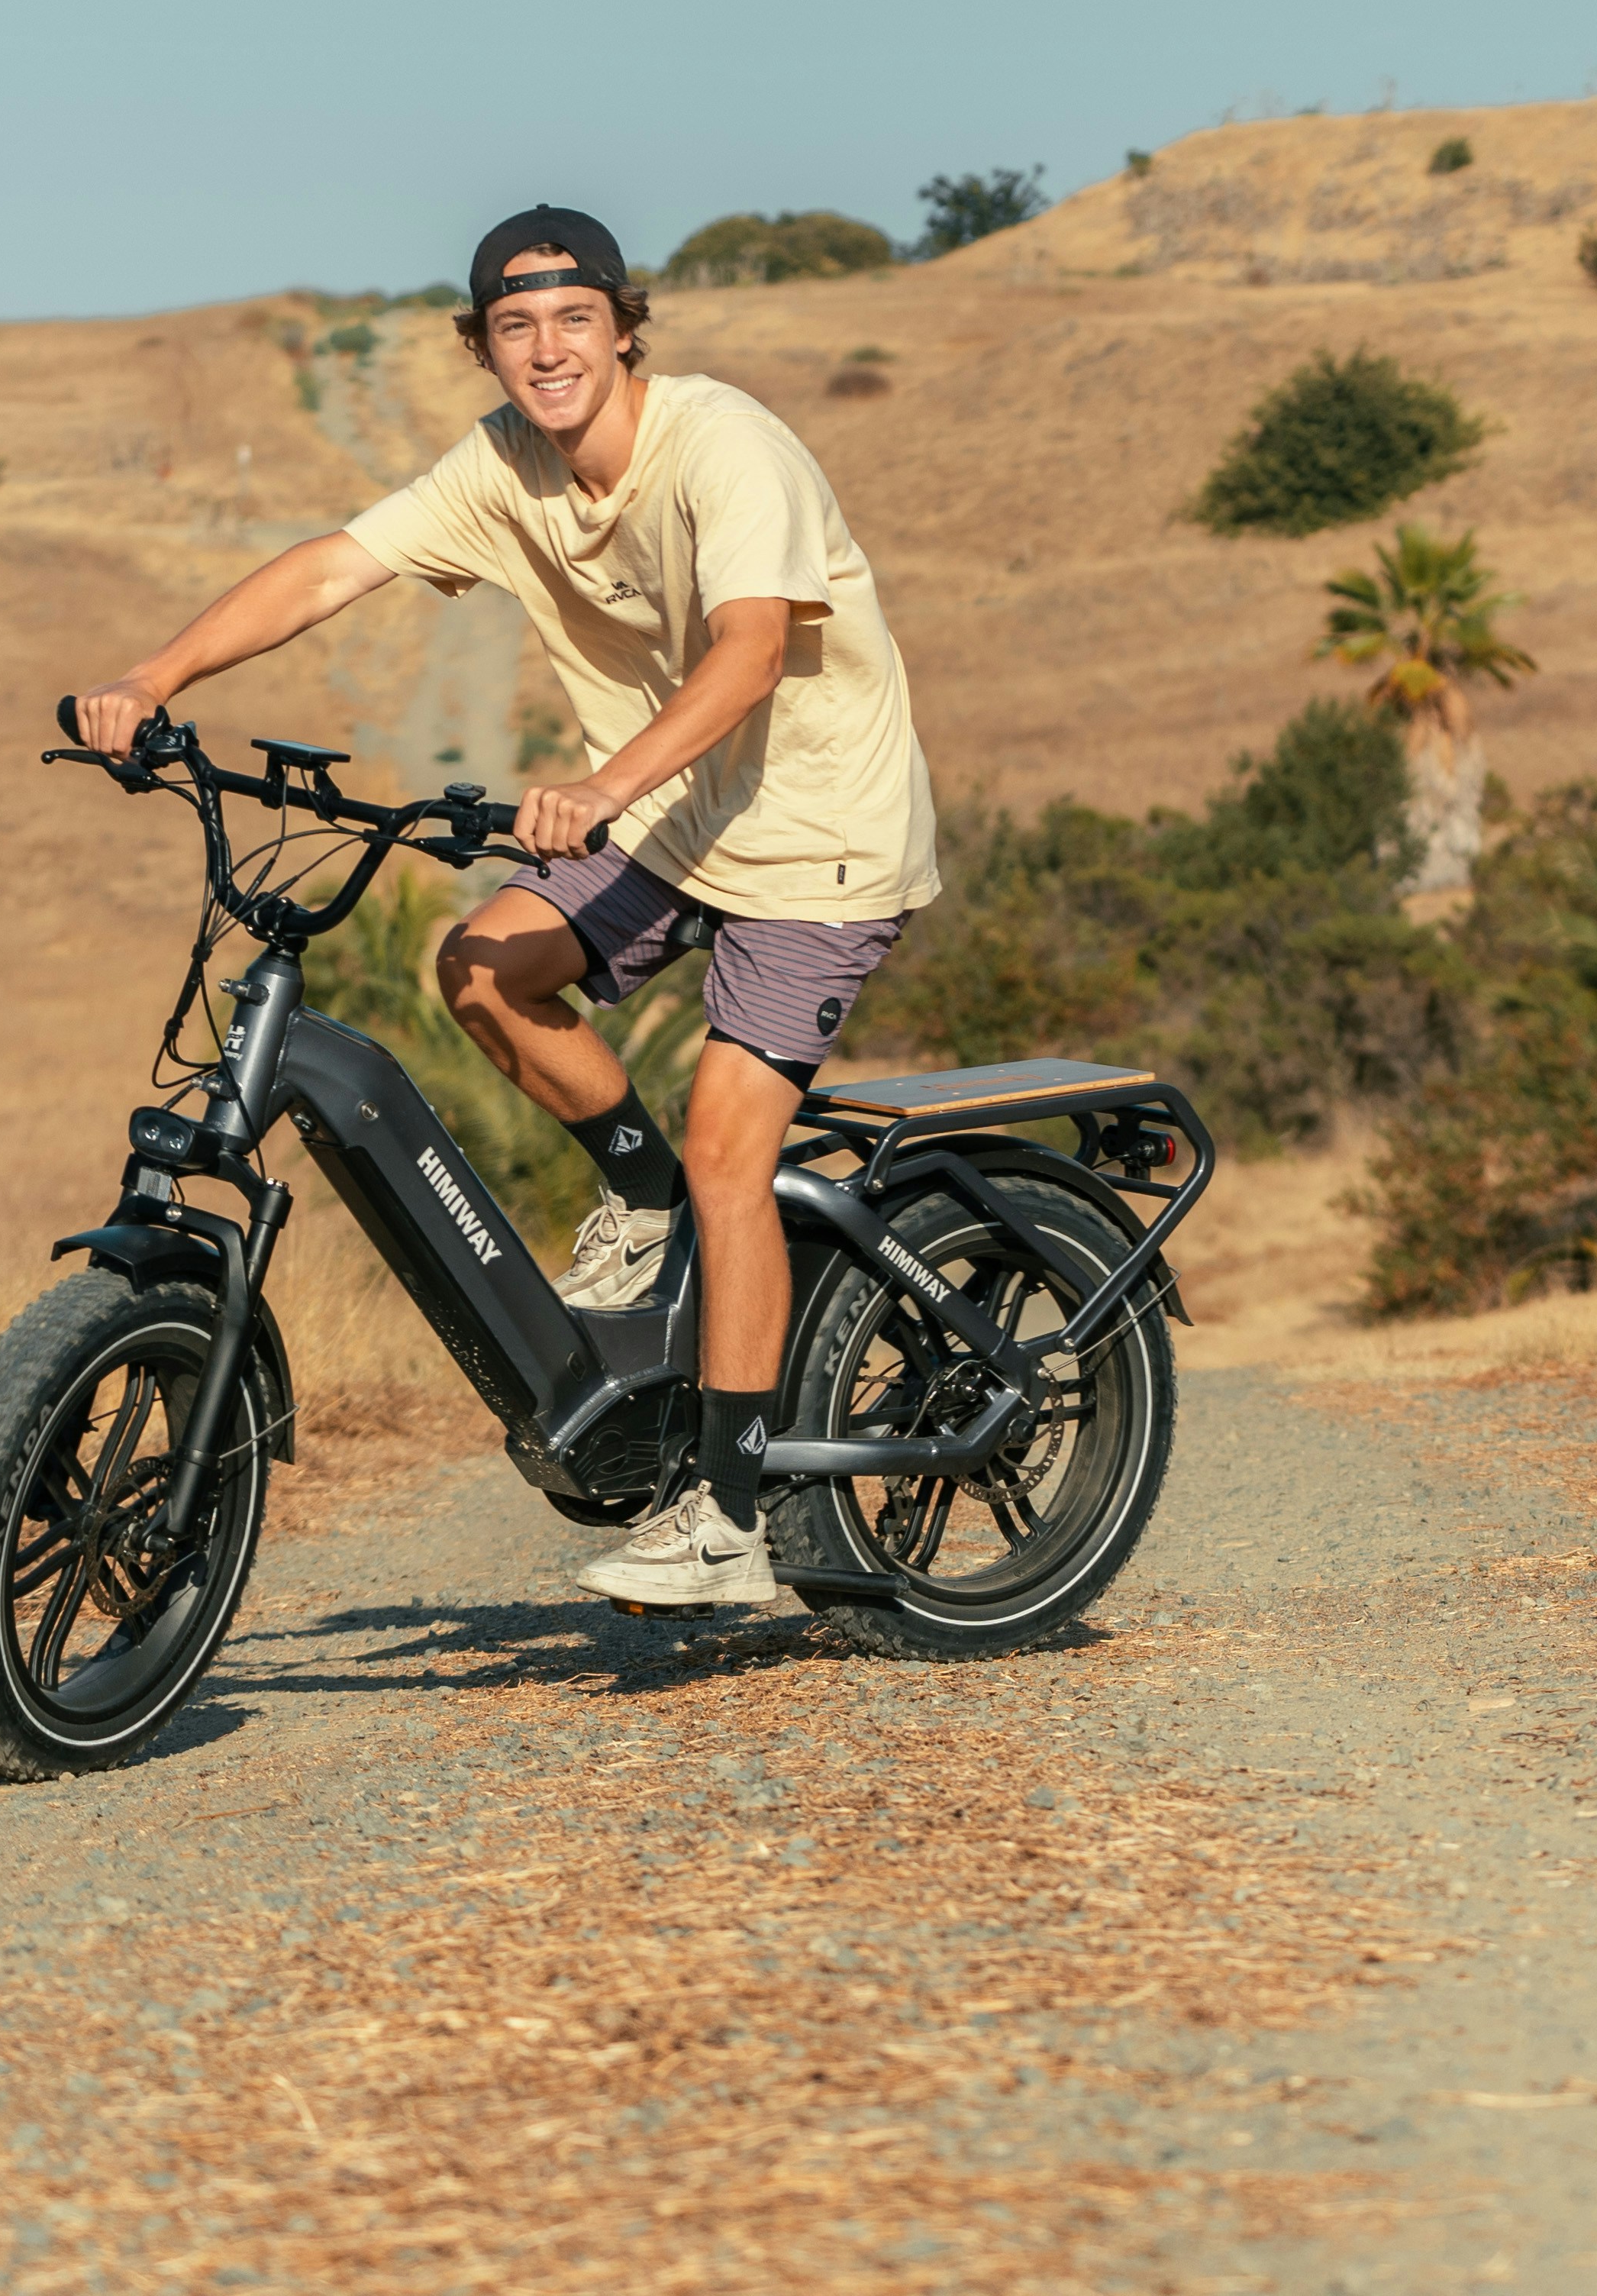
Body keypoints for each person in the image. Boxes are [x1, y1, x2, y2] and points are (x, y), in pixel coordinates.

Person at [65, 206, 940, 1613]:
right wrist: (157, 678)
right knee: (479, 963)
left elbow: (755, 647)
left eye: (574, 319)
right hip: (674, 816)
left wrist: (602, 783)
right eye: (516, 328)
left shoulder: (726, 443)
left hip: (817, 835)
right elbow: (336, 564)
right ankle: (638, 1190)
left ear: (623, 327)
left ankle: (725, 1514)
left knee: (736, 1146)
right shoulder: (505, 467)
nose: (549, 350)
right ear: (484, 348)